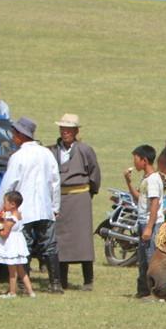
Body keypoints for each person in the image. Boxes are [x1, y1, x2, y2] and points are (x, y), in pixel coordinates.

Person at [0, 117, 63, 294]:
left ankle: (24, 284)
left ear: (19, 135)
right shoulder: (47, 153)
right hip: (45, 208)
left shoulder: (18, 157)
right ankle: (55, 283)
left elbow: (8, 185)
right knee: (50, 246)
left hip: (24, 211)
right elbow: (55, 182)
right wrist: (55, 207)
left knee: (23, 246)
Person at [52, 114, 101, 291]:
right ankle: (62, 279)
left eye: (69, 129)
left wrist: (89, 193)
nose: (65, 132)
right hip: (60, 198)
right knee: (61, 240)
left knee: (83, 240)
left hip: (80, 197)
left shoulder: (85, 150)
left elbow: (94, 174)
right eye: (63, 129)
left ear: (76, 131)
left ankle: (88, 280)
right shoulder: (53, 151)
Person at [126, 145, 163, 299]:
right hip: (143, 222)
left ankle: (156, 292)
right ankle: (143, 291)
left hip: (151, 224)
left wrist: (149, 227)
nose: (134, 163)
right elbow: (138, 198)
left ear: (144, 160)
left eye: (136, 159)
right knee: (142, 259)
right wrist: (128, 182)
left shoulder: (154, 179)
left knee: (151, 259)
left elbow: (154, 204)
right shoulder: (146, 179)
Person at [0, 191, 35, 299]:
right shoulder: (18, 215)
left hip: (12, 244)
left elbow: (4, 234)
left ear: (12, 204)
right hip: (19, 242)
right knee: (21, 270)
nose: (3, 204)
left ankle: (12, 292)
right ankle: (30, 291)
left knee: (12, 271)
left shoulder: (11, 219)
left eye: (5, 202)